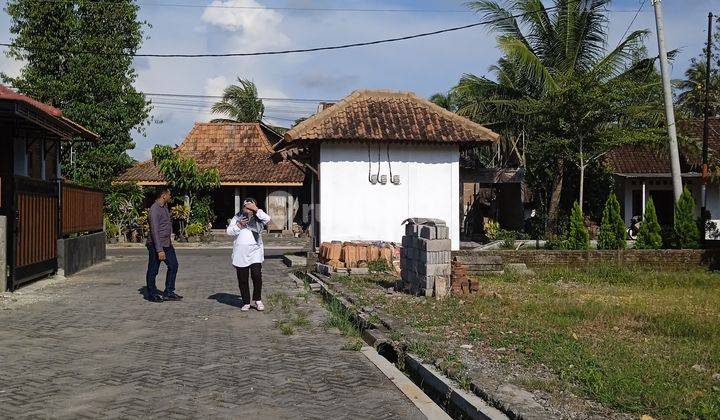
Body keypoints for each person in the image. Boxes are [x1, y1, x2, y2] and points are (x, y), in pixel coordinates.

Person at [227, 198, 271, 311]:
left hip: (255, 250)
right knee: (242, 279)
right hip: (240, 252)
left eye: (251, 207)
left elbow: (268, 219)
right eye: (247, 207)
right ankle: (246, 302)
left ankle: (258, 299)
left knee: (256, 275)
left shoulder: (259, 216)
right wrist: (239, 225)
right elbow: (229, 231)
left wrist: (256, 209)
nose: (249, 210)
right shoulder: (237, 217)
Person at [146, 188, 182, 303]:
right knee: (153, 270)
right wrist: (159, 250)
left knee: (173, 265)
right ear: (163, 195)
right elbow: (154, 231)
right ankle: (152, 293)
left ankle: (169, 292)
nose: (170, 196)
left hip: (167, 244)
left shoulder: (164, 207)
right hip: (156, 245)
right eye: (169, 194)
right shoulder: (154, 210)